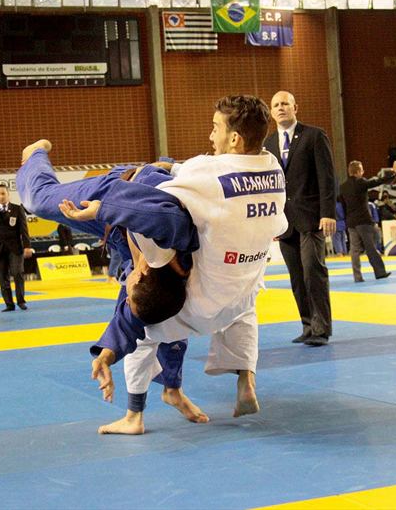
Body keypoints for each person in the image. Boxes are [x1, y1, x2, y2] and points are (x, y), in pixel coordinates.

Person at [73, 95, 288, 433]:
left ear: (234, 138)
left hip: (196, 302)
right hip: (239, 295)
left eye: (215, 128)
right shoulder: (272, 166)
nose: (210, 136)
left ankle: (133, 416)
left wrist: (111, 202)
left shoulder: (205, 173)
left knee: (146, 324)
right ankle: (243, 378)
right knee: (245, 312)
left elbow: (153, 204)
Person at [17, 139, 207, 433]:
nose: (124, 290)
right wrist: (100, 210)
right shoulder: (170, 229)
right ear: (141, 273)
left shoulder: (167, 283)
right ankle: (35, 156)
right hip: (116, 192)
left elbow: (130, 315)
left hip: (121, 231)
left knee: (168, 321)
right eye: (129, 290)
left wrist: (106, 356)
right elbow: (147, 205)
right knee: (40, 201)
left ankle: (171, 388)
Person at [263, 90, 335, 346]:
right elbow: (269, 185)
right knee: (296, 276)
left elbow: (327, 176)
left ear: (295, 107)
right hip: (285, 222)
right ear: (271, 112)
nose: (280, 108)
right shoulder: (268, 144)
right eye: (276, 105)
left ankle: (321, 328)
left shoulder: (314, 136)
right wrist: (270, 221)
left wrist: (328, 213)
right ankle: (307, 325)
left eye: (285, 103)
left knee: (313, 270)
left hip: (312, 217)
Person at [339, 160, 396, 282]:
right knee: (371, 247)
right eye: (362, 170)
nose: (363, 172)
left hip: (351, 222)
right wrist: (393, 173)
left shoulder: (343, 187)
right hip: (364, 221)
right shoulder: (361, 182)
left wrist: (347, 219)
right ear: (358, 172)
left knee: (354, 250)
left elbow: (343, 205)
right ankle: (380, 272)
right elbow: (377, 181)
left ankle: (357, 277)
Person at [0, 184, 34, 312]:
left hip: (15, 247)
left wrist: (27, 246)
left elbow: (24, 229)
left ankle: (21, 301)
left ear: (8, 194)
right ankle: (9, 304)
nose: (1, 196)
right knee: (2, 277)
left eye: (3, 193)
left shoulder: (17, 209)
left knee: (17, 273)